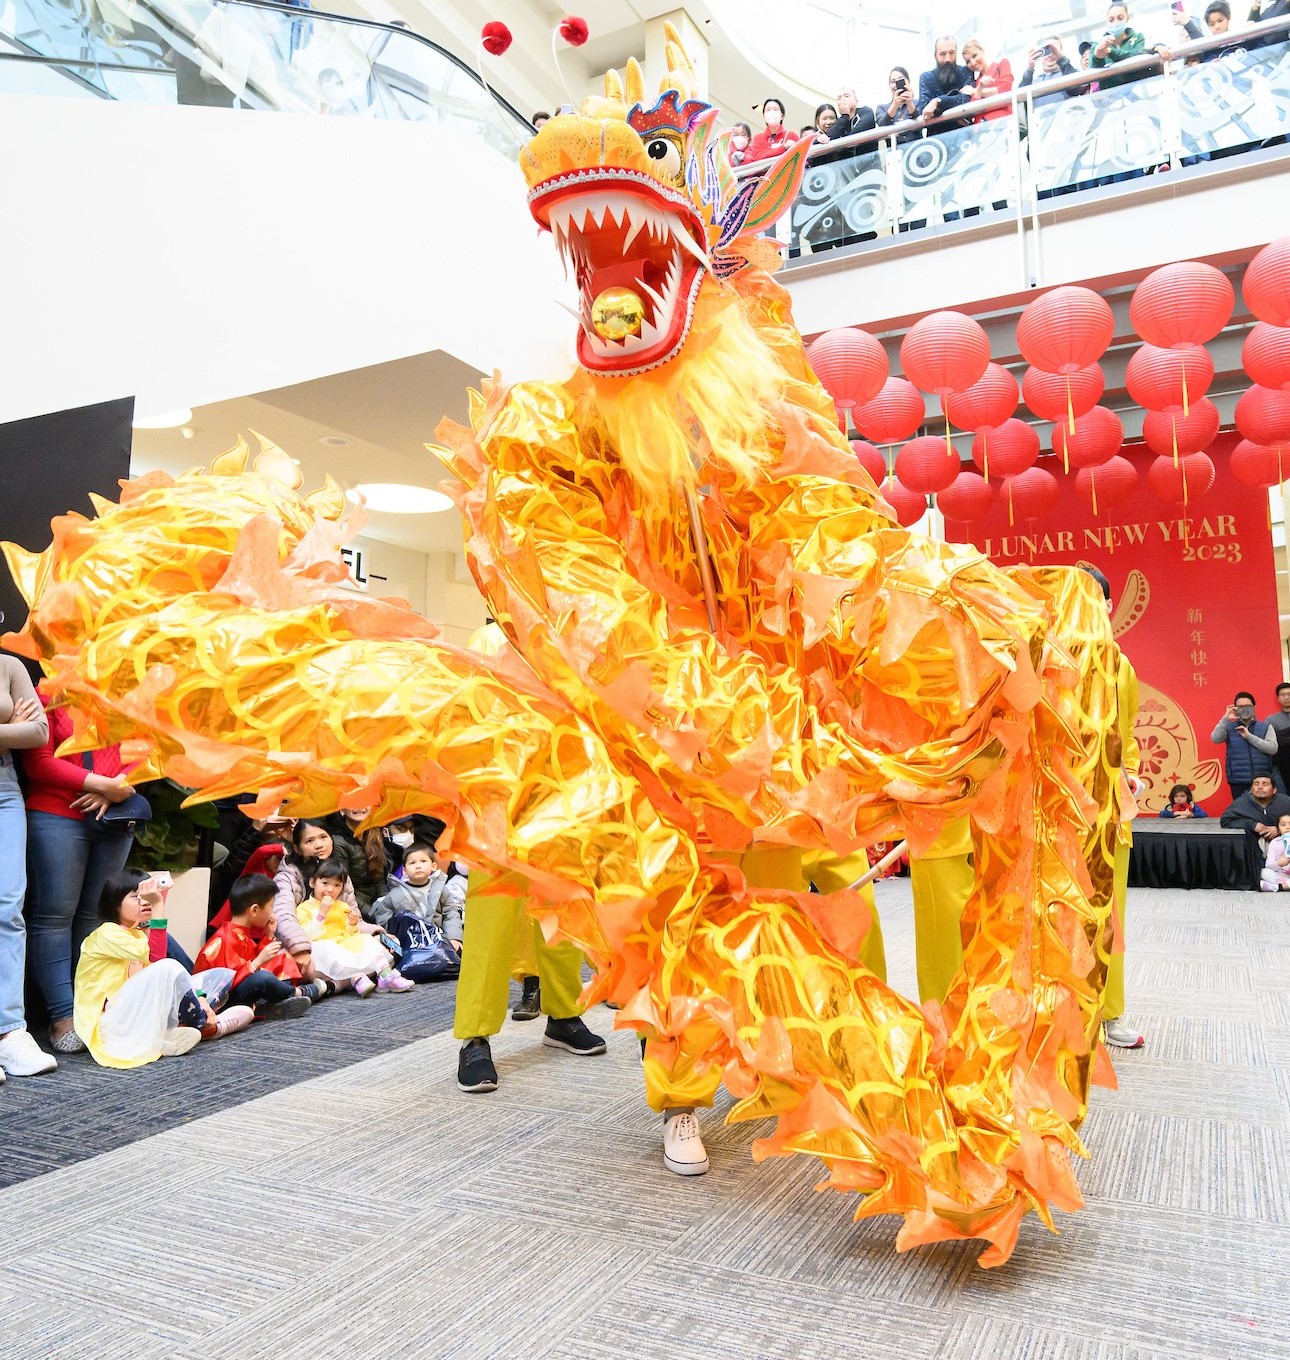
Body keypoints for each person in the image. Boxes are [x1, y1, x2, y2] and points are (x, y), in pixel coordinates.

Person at [22, 699, 140, 1054]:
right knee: (55, 916)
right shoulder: (45, 693)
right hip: (57, 812)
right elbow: (38, 762)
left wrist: (121, 783)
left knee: (97, 916)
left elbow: (150, 749)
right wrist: (102, 784)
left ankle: (90, 1011)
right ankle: (62, 1017)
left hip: (117, 813)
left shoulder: (127, 693)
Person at [74, 871, 235, 1067]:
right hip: (109, 1026)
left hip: (132, 1017)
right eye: (136, 897)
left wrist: (200, 997)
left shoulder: (138, 934)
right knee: (168, 967)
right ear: (115, 902)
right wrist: (158, 905)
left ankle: (186, 1027)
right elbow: (157, 958)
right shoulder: (106, 933)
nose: (144, 902)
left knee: (218, 978)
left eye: (147, 897)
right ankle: (205, 1025)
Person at [1084, 567, 1144, 1050]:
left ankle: (1110, 1012)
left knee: (1109, 912)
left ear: (1107, 606)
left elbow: (1128, 735)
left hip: (1107, 805)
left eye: (1092, 597)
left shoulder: (1121, 666)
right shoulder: (1045, 659)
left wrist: (1133, 773)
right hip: (1054, 805)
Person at [0, 651, 56, 1080]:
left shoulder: (8, 665)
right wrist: (6, 729)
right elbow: (21, 730)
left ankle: (9, 1031)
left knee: (8, 907)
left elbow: (38, 731)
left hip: (4, 792)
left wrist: (18, 732)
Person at [197, 875, 320, 1018]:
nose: (272, 912)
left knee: (282, 958)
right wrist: (258, 961)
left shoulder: (240, 932)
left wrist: (268, 936)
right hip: (221, 1000)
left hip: (240, 987)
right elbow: (227, 982)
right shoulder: (225, 938)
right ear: (254, 910)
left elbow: (252, 957)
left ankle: (271, 1002)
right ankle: (295, 993)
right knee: (262, 978)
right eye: (271, 906)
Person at [296, 858, 413, 993]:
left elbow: (350, 933)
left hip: (344, 944)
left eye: (337, 885)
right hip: (324, 947)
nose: (330, 889)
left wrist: (352, 924)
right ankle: (357, 977)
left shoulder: (342, 906)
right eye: (325, 883)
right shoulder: (304, 908)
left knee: (367, 940)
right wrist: (321, 914)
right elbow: (308, 934)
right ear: (312, 882)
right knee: (325, 948)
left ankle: (385, 975)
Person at [271, 819, 359, 978]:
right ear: (297, 848)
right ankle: (341, 982)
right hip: (302, 942)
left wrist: (376, 934)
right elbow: (283, 917)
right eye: (310, 841)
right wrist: (301, 948)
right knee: (310, 966)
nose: (319, 845)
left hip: (338, 939)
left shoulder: (338, 874)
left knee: (378, 948)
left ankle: (329, 985)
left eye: (323, 837)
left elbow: (352, 915)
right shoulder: (286, 877)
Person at [369, 840, 465, 946]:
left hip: (439, 942)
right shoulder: (394, 895)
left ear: (433, 866)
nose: (418, 866)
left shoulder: (440, 889)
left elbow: (450, 914)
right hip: (408, 944)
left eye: (423, 861)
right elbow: (384, 921)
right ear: (404, 871)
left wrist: (453, 937)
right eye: (412, 863)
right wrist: (392, 943)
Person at [1211, 692, 1276, 801]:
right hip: (1238, 780)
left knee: (1263, 812)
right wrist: (1226, 718)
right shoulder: (1229, 727)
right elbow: (1215, 738)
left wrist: (1249, 736)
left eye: (1248, 706)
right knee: (1242, 812)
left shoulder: (1265, 726)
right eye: (1240, 707)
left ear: (1254, 707)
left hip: (1262, 779)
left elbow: (1272, 748)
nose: (1244, 709)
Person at [1090, 3, 1171, 87]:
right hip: (1111, 95)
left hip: (1138, 90)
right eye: (1111, 20)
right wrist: (1098, 56)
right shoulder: (1098, 46)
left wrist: (1110, 52)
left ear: (1127, 18)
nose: (1116, 23)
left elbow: (1137, 55)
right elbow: (1093, 72)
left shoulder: (1137, 38)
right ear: (1106, 21)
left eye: (1120, 18)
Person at [1220, 773, 1290, 859]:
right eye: (1256, 784)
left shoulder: (1285, 802)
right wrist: (1252, 825)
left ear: (1274, 790)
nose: (1260, 787)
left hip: (1284, 852)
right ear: (1251, 788)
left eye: (1265, 784)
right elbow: (1226, 821)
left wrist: (1279, 829)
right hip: (1252, 853)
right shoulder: (1241, 803)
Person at [917, 36, 977, 132]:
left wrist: (937, 102)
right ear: (935, 55)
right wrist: (955, 114)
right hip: (937, 139)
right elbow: (925, 109)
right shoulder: (926, 77)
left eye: (951, 53)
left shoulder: (965, 71)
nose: (947, 59)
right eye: (942, 54)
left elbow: (967, 99)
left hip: (965, 137)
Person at [962, 38, 1014, 120]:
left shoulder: (1001, 65)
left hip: (1002, 123)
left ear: (982, 51)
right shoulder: (975, 83)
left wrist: (976, 91)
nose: (973, 63)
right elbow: (974, 109)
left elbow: (1005, 90)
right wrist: (979, 89)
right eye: (968, 61)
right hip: (981, 128)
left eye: (974, 56)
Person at [1021, 36, 1078, 102]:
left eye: (1054, 50)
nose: (1050, 54)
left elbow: (1077, 89)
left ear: (1061, 52)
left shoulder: (1070, 74)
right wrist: (1030, 69)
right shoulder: (1034, 82)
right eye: (1046, 50)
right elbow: (1021, 99)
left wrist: (1062, 60)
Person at [876, 67, 920, 140]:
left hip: (916, 148)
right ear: (889, 85)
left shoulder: (917, 102)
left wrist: (909, 103)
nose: (896, 84)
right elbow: (882, 125)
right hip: (894, 149)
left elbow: (919, 120)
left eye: (900, 79)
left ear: (908, 81)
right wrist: (894, 105)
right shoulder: (881, 108)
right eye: (893, 82)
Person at [1264, 681, 1290, 792]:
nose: (1286, 697)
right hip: (1282, 767)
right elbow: (1271, 743)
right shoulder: (1271, 720)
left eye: (1289, 694)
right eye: (1283, 695)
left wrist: (1282, 736)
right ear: (1278, 699)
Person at [1260, 813, 1290, 890]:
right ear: (1278, 829)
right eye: (1283, 825)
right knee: (1264, 872)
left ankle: (1280, 887)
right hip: (1281, 875)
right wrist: (1279, 863)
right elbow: (1268, 865)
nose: (1288, 827)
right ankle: (1286, 885)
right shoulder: (1275, 842)